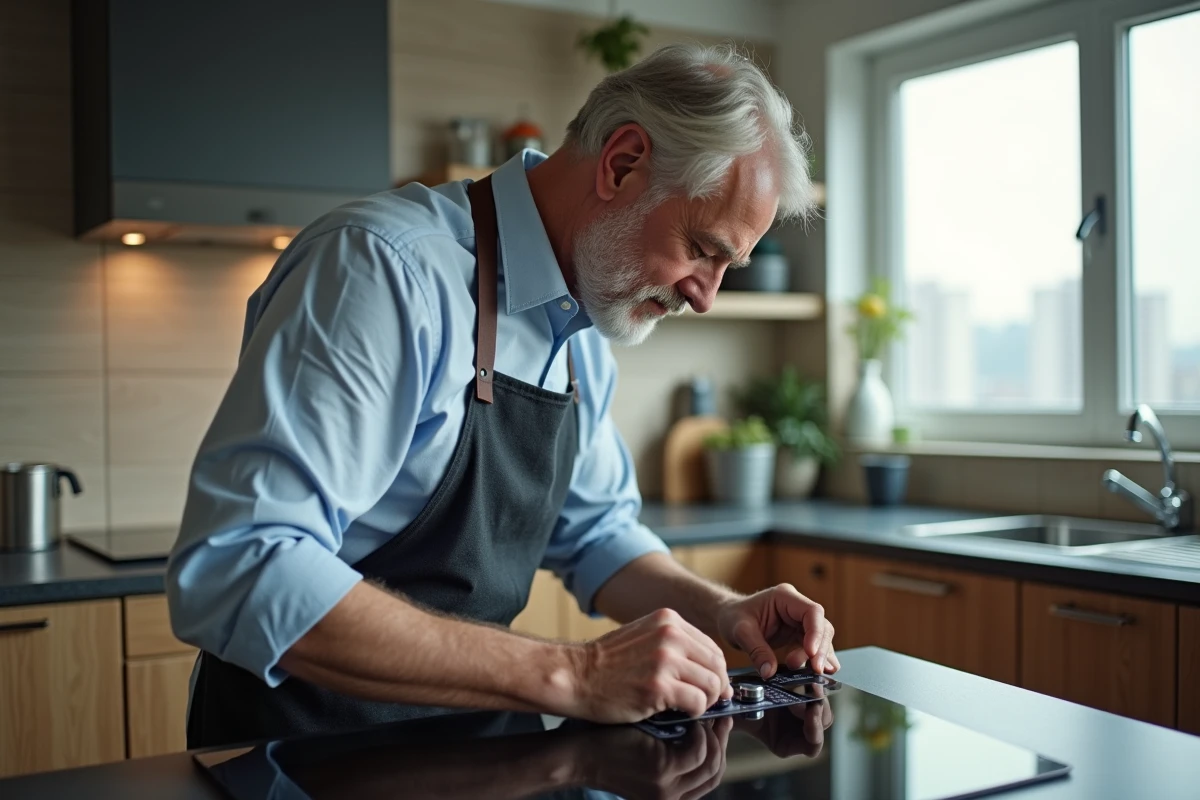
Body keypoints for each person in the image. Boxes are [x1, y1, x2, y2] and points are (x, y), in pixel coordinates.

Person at [168, 42, 836, 749]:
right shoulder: (383, 272)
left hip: (471, 752)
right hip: (305, 757)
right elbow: (239, 566)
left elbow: (596, 537)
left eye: (727, 265)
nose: (706, 296)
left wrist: (724, 611)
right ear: (621, 164)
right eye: (701, 248)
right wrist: (575, 675)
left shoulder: (585, 328)